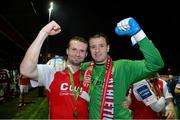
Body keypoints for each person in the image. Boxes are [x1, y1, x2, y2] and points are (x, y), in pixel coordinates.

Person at [81, 17, 164, 119]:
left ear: (108, 48)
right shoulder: (86, 68)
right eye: (93, 47)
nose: (97, 50)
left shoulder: (122, 67)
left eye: (101, 46)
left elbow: (156, 64)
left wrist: (138, 34)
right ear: (89, 49)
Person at [20, 21, 89, 119]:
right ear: (67, 51)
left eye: (82, 51)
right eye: (74, 49)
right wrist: (44, 32)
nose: (77, 54)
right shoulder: (53, 72)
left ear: (86, 55)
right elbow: (26, 70)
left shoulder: (89, 76)